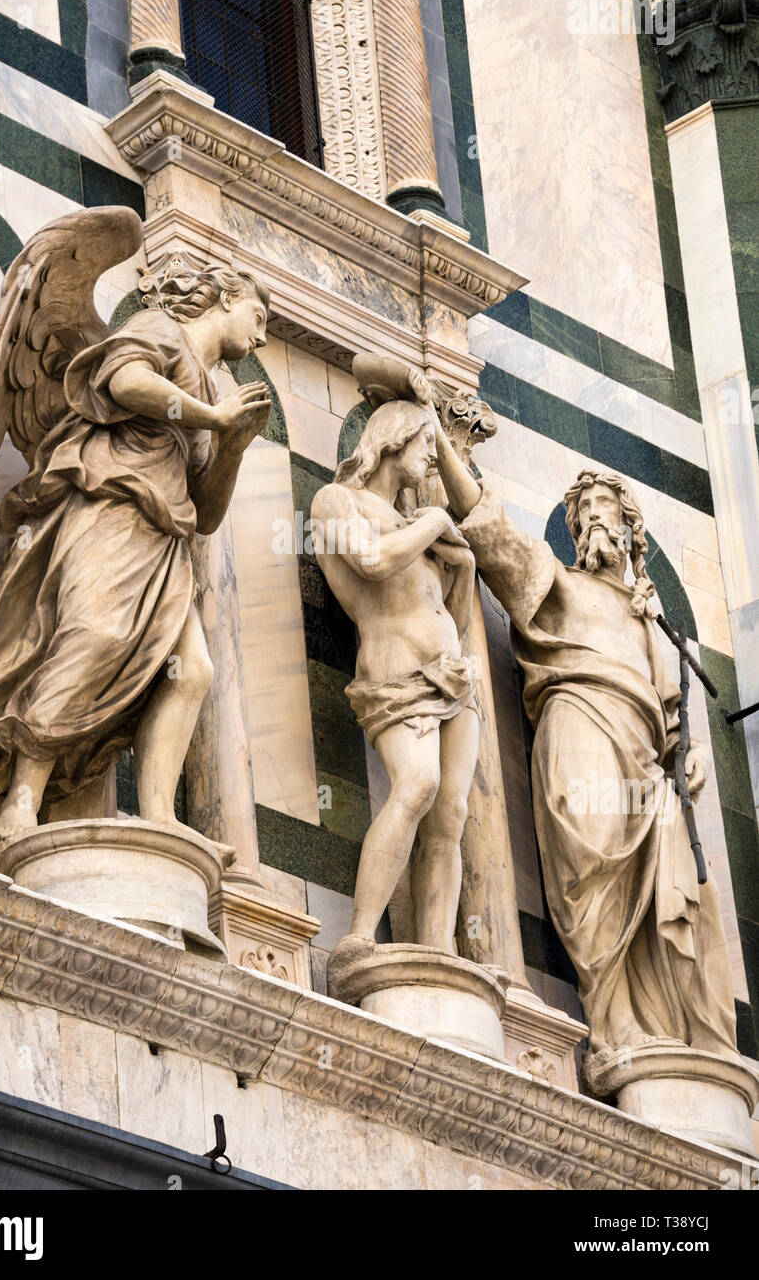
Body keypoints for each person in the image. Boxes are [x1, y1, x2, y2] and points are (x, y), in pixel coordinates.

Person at [0, 261, 271, 843]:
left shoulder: (213, 388)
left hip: (164, 537)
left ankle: (158, 816)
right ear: (224, 299)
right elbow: (124, 384)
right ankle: (21, 799)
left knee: (192, 671)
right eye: (259, 316)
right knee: (94, 636)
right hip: (109, 505)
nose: (263, 335)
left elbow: (209, 511)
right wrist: (212, 416)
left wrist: (233, 446)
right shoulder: (161, 329)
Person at [455, 463, 739, 1065]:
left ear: (631, 529)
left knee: (676, 874)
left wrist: (686, 757)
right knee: (591, 859)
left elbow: (673, 717)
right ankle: (612, 1024)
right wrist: (445, 449)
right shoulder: (561, 587)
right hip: (579, 728)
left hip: (639, 756)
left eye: (603, 511)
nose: (591, 523)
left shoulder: (649, 619)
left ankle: (662, 1031)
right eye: (582, 517)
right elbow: (499, 540)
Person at [311, 398, 481, 963]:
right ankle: (359, 935)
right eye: (427, 443)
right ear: (391, 438)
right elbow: (373, 563)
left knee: (451, 814)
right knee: (416, 785)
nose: (433, 455)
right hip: (394, 671)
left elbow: (450, 613)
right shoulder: (337, 501)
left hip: (453, 677)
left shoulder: (417, 524)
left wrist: (462, 564)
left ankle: (436, 954)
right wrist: (435, 523)